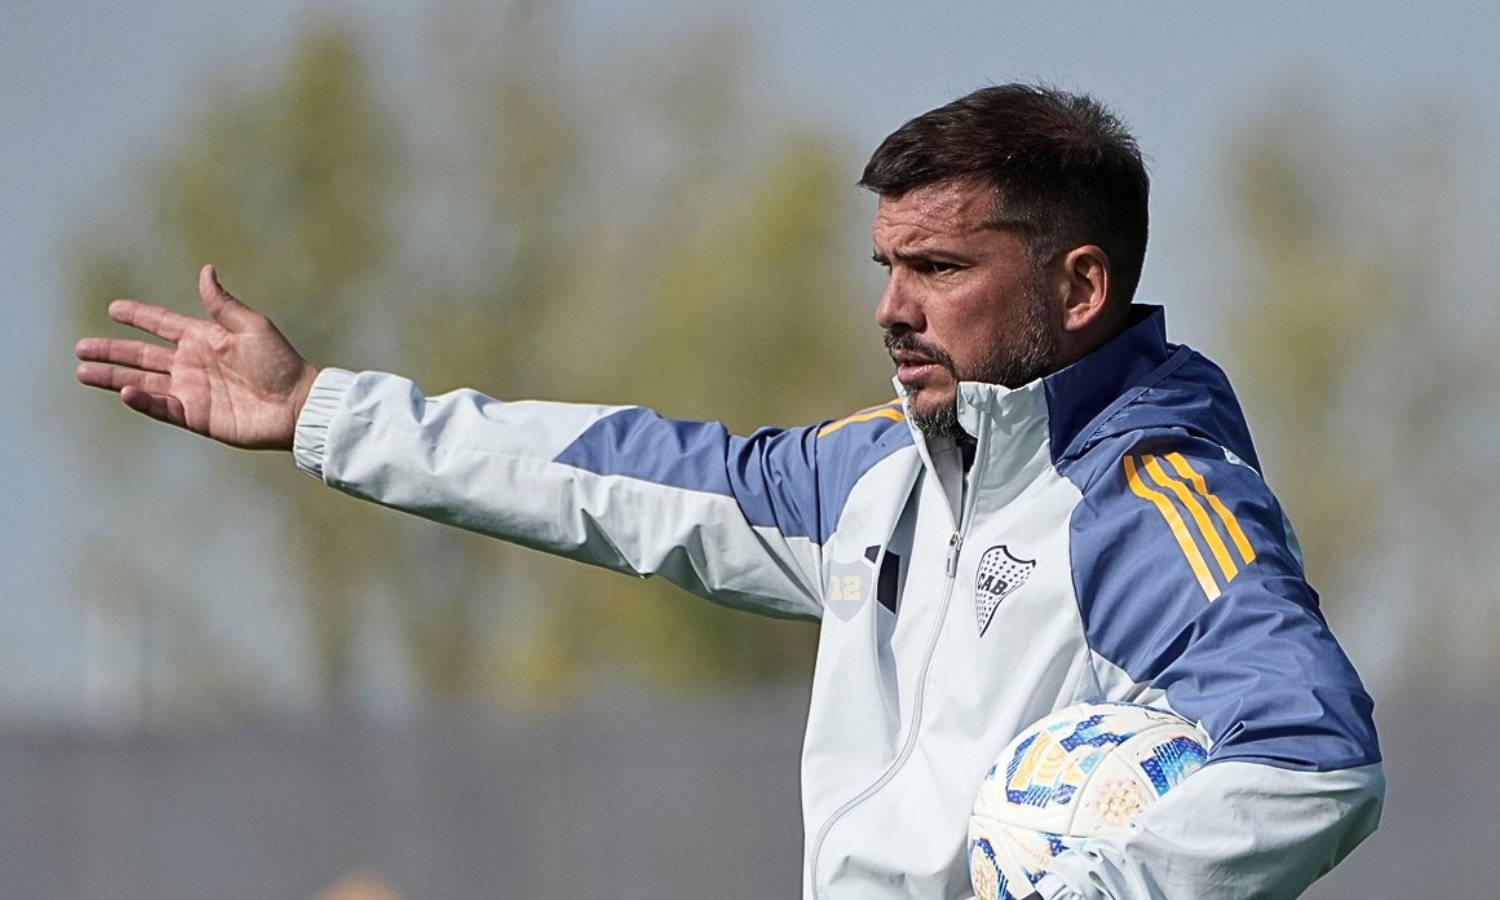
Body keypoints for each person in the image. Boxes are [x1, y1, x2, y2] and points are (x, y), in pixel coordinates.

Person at [75, 84, 1383, 899]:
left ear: (1080, 288)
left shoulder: (1155, 507)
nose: (889, 309)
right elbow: (620, 477)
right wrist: (321, 412)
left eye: (936, 268)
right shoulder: (883, 478)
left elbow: (1316, 763)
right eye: (883, 265)